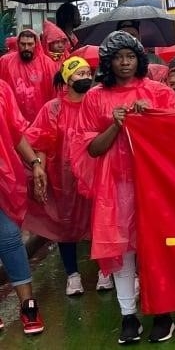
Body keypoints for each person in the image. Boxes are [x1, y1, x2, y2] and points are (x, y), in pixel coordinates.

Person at [72, 31, 175, 344]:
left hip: (154, 186)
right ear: (108, 62)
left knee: (155, 250)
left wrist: (154, 118)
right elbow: (90, 149)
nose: (124, 63)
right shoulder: (94, 97)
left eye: (130, 56)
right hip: (115, 189)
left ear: (139, 59)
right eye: (118, 57)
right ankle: (128, 316)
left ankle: (163, 313)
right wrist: (115, 125)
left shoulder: (158, 93)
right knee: (122, 252)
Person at [24, 56, 104, 297]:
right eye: (79, 75)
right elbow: (42, 141)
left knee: (99, 221)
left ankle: (105, 270)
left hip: (95, 173)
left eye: (88, 74)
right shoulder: (53, 108)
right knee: (64, 225)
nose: (85, 78)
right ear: (68, 80)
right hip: (63, 178)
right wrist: (41, 170)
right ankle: (73, 275)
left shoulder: (96, 102)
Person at [0, 77, 47, 335]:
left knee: (8, 238)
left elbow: (15, 132)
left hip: (4, 178)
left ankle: (28, 305)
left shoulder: (1, 89)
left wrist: (35, 163)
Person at [0, 30, 60, 121]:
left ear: (36, 44)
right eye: (23, 44)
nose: (26, 48)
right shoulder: (6, 62)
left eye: (30, 44)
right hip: (13, 118)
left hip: (40, 119)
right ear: (18, 44)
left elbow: (55, 93)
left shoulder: (48, 64)